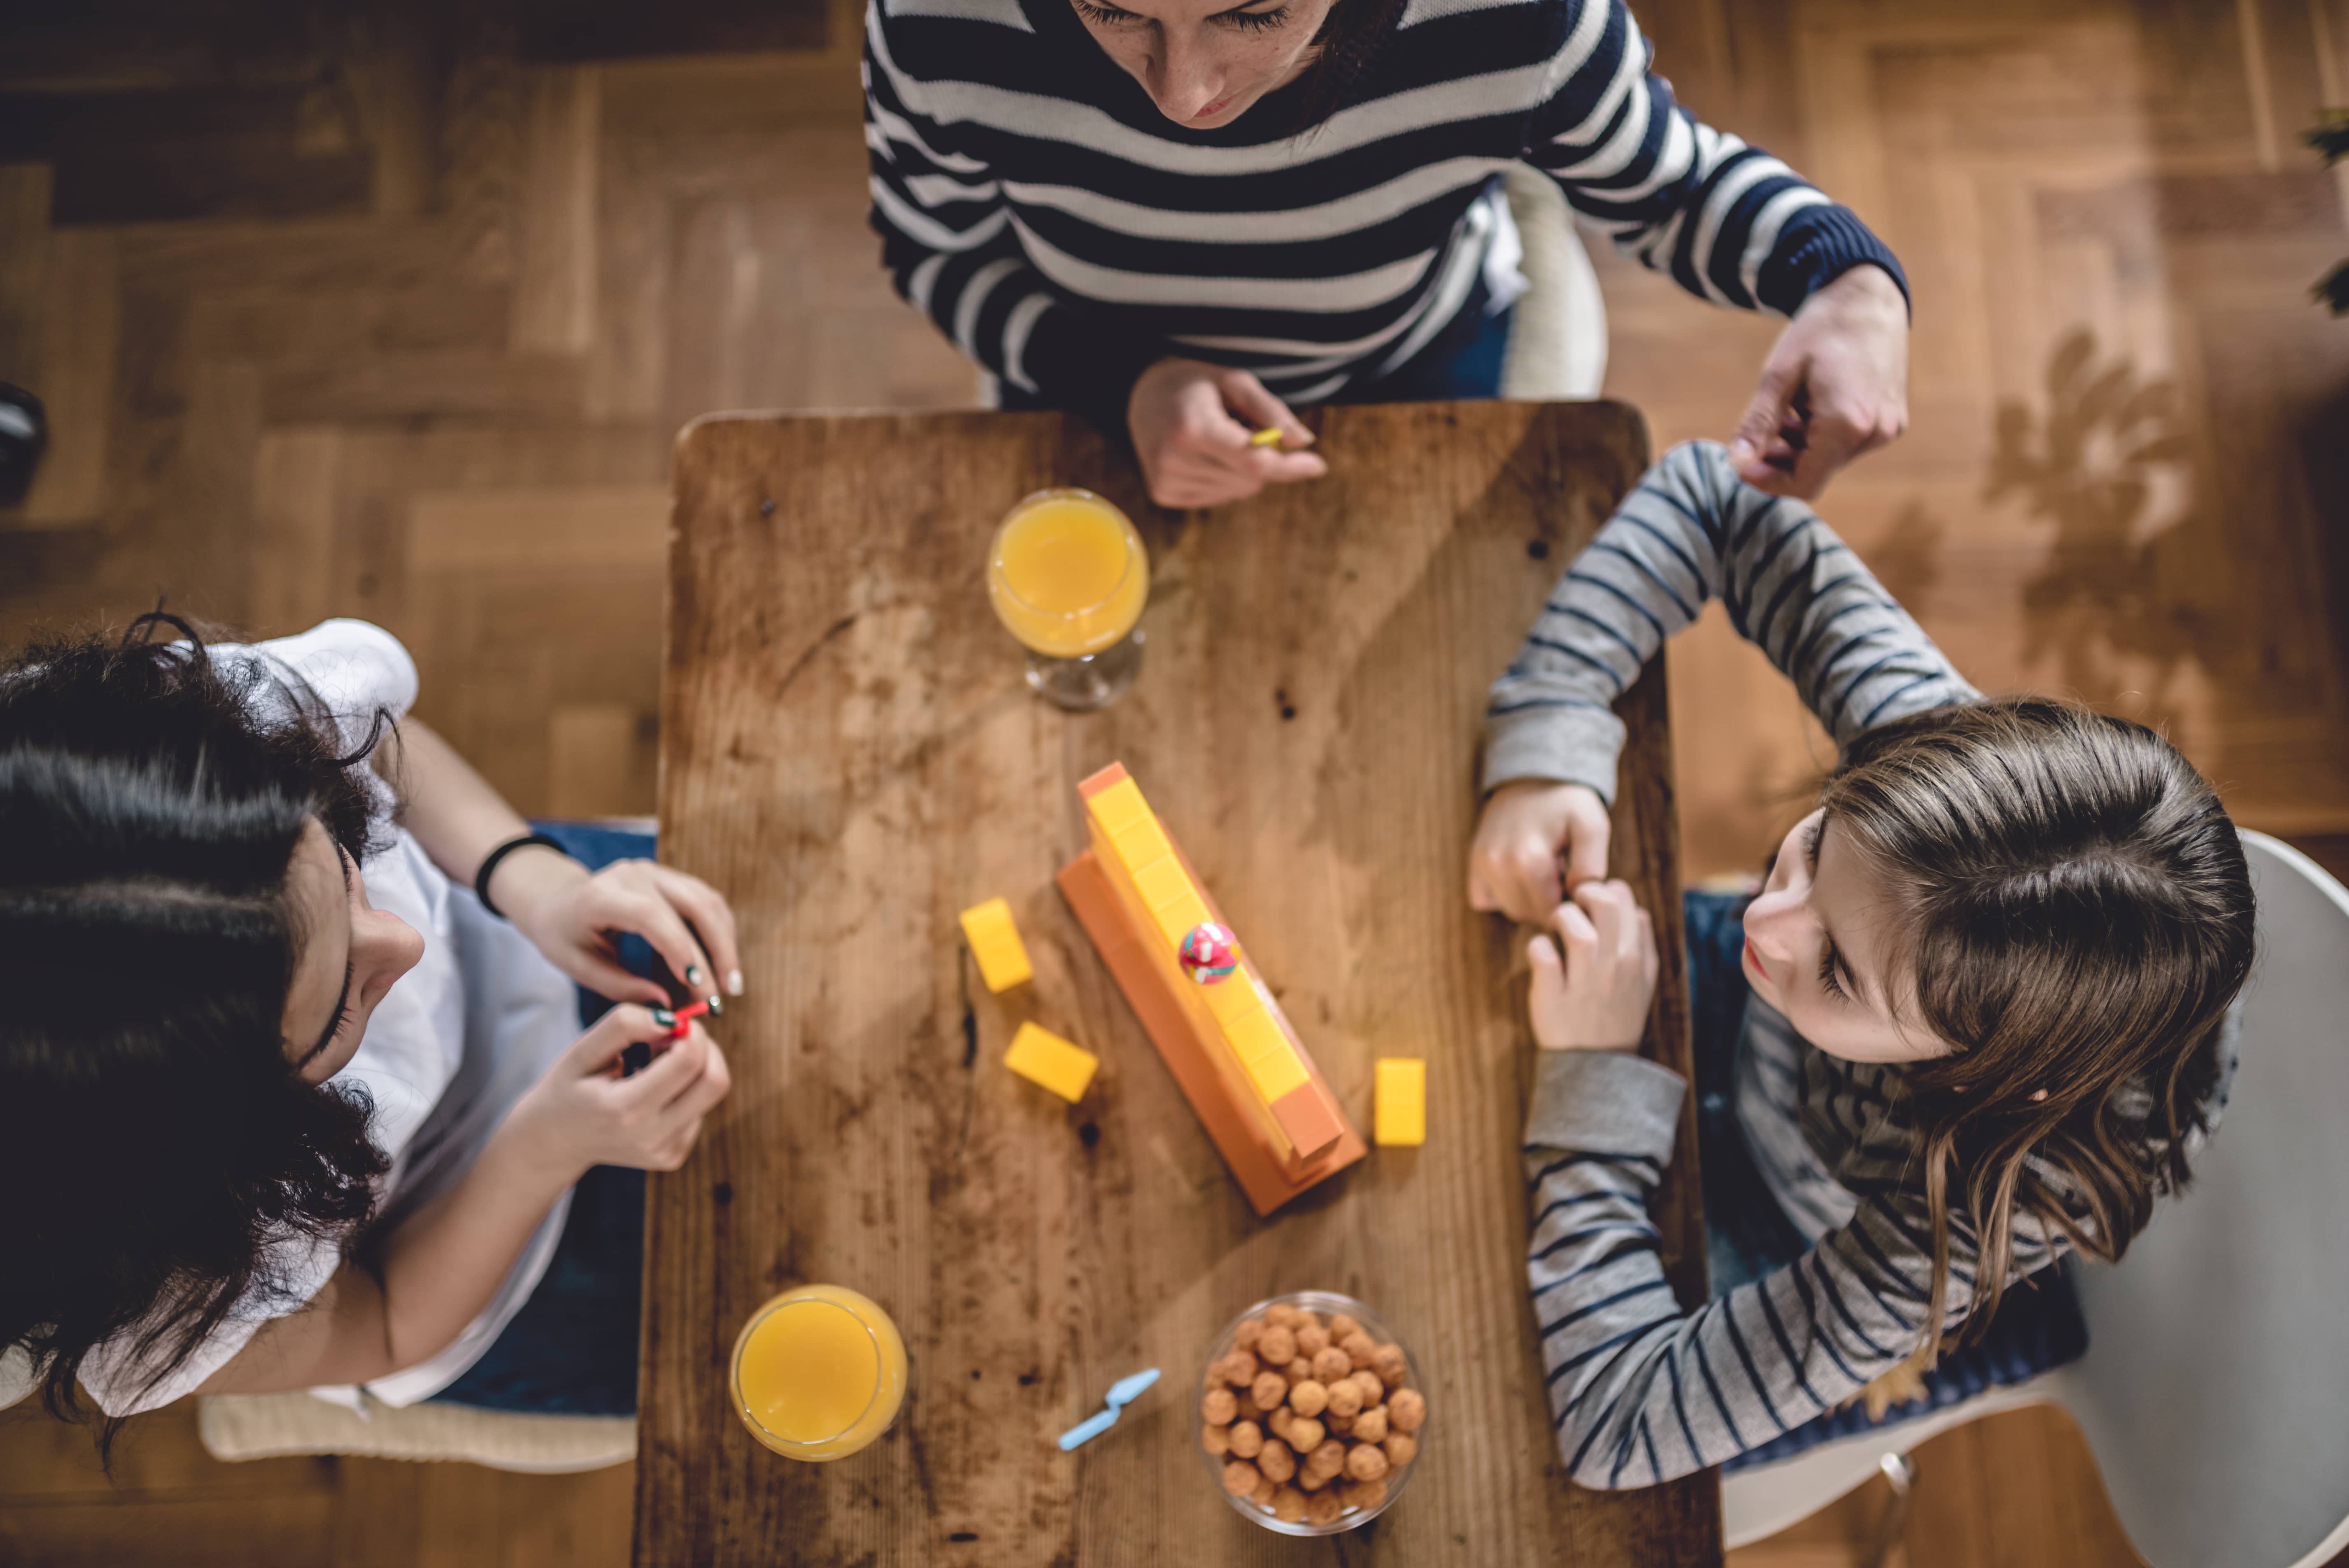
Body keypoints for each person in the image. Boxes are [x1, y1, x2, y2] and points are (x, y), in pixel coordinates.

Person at [1464, 441, 2255, 1485]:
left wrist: (1598, 1075)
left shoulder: (1973, 1209)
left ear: (1989, 1069)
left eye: (1837, 967)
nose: (1764, 919)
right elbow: (1718, 497)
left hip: (1801, 1215)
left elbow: (1616, 1424)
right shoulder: (1940, 790)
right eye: (1816, 841)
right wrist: (1551, 730)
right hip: (1775, 1064)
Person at [0, 615, 736, 1440]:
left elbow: (380, 745)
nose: (409, 943)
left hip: (530, 914)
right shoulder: (140, 1294)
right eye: (341, 1007)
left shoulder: (134, 741)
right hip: (494, 1261)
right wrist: (546, 1148)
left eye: (345, 865)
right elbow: (385, 1322)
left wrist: (529, 880)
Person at [864, 0, 1912, 509]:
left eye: (1252, 13)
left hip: (1416, 361)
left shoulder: (1523, 15)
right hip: (1082, 377)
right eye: (1115, 9)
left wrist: (1846, 280)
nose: (1184, 96)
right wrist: (1122, 381)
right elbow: (934, 251)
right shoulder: (930, 19)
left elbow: (1671, 189)